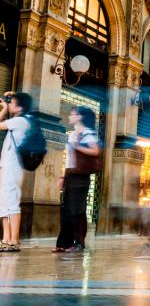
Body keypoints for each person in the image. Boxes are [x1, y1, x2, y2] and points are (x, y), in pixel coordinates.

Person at [55, 106, 101, 256]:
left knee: (77, 210)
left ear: (80, 117)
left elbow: (96, 151)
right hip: (71, 174)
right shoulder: (72, 134)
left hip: (81, 176)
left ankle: (79, 243)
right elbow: (70, 159)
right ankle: (64, 243)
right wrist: (63, 176)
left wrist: (78, 146)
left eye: (72, 114)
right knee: (66, 209)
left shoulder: (87, 132)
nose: (69, 116)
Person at [0, 92, 31, 252]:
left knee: (12, 203)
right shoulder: (18, 120)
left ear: (19, 107)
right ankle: (6, 238)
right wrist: (12, 96)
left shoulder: (20, 121)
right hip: (7, 166)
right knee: (4, 203)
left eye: (12, 103)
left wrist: (4, 110)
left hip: (13, 167)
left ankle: (14, 240)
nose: (9, 104)